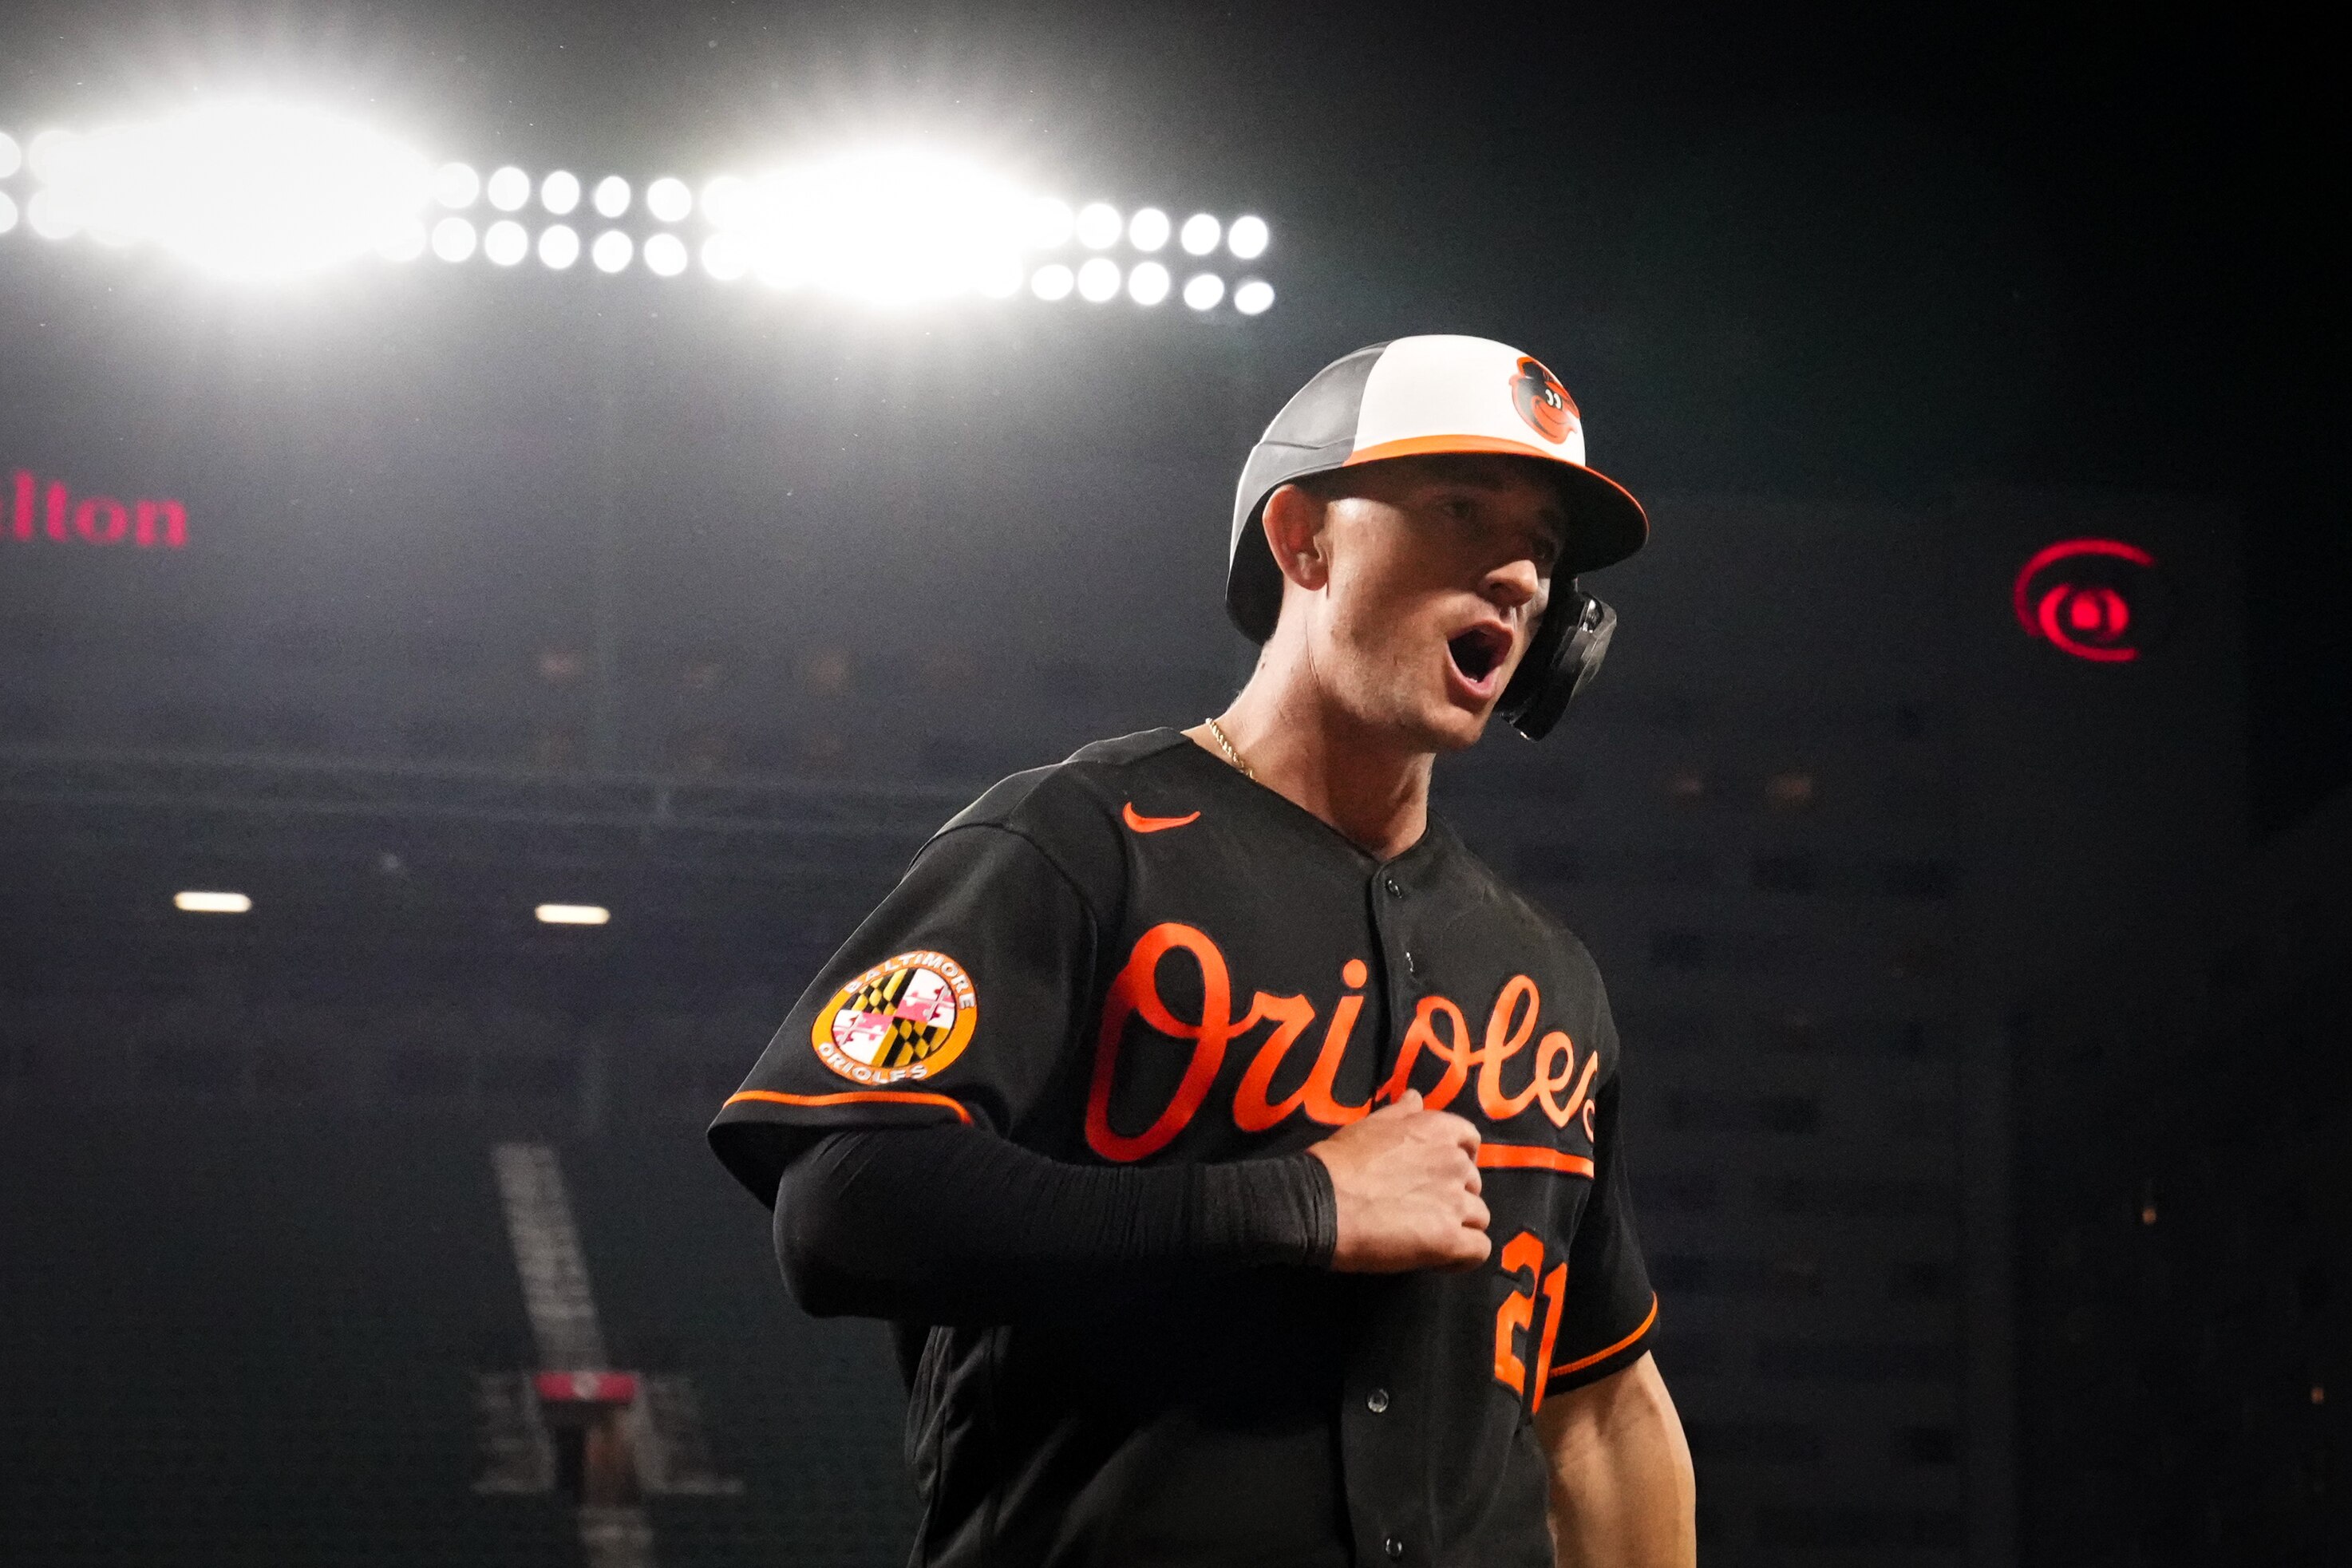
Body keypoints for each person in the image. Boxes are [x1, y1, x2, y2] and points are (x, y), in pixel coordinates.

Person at [710, 334, 1696, 1566]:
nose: (1517, 576)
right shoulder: (1076, 843)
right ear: (1303, 540)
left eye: (1543, 547)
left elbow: (1602, 1410)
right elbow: (843, 1203)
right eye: (1459, 511)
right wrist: (1300, 1200)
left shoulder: (1548, 979)